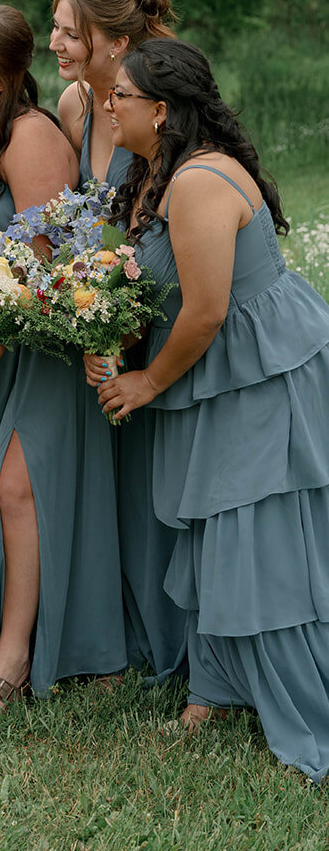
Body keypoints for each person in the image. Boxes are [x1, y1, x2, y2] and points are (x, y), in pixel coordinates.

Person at [98, 39, 329, 782]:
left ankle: (296, 697)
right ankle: (216, 687)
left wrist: (143, 384)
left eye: (119, 97)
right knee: (215, 529)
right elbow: (153, 291)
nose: (107, 107)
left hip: (259, 374)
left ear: (160, 110)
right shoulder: (154, 174)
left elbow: (201, 312)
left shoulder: (198, 181)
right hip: (223, 371)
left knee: (257, 537)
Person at [0, 5, 125, 713]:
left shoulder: (30, 137)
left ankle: (12, 660)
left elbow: (46, 264)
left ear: (0, 80)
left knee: (18, 490)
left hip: (37, 343)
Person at [51, 0, 186, 679]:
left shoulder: (161, 101)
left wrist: (129, 321)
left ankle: (175, 638)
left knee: (157, 476)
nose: (55, 45)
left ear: (108, 39)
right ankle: (125, 633)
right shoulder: (76, 106)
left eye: (68, 33)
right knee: (115, 474)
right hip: (101, 309)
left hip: (159, 310)